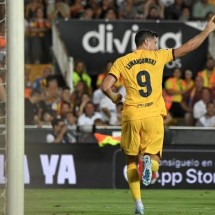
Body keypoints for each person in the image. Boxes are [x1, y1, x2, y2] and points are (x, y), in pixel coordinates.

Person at [101, 15, 215, 215]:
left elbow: (105, 86)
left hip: (131, 114)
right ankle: (150, 164)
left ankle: (139, 205)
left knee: (129, 162)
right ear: (146, 42)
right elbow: (190, 46)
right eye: (154, 40)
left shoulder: (121, 61)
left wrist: (113, 97)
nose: (156, 43)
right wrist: (207, 30)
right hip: (153, 115)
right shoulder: (159, 56)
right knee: (154, 159)